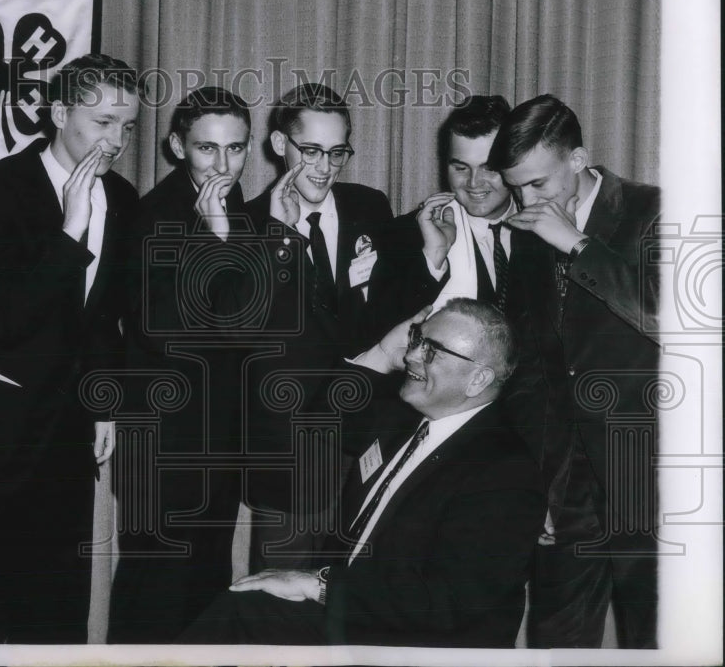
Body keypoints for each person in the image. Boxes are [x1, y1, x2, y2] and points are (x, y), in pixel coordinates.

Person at [0, 54, 141, 643]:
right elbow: (5, 319)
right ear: (60, 111)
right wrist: (69, 231)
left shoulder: (121, 198)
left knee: (57, 617)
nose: (116, 140)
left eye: (127, 126)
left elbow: (102, 318)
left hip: (65, 439)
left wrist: (105, 401)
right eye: (102, 122)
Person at [180, 299, 546, 647]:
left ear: (478, 380)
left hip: (418, 643)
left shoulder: (505, 471)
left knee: (242, 613)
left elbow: (450, 603)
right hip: (360, 616)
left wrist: (319, 586)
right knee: (240, 605)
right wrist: (383, 353)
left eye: (431, 350)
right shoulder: (405, 420)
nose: (411, 355)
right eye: (417, 340)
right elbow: (325, 421)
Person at [487, 93, 661, 648]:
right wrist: (541, 475)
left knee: (651, 631)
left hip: (649, 467)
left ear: (579, 158)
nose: (525, 199)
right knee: (555, 634)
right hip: (565, 473)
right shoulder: (528, 232)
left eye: (538, 183)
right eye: (516, 187)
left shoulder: (653, 209)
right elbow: (529, 366)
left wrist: (579, 245)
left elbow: (669, 314)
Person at [109, 86, 252, 643]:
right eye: (207, 149)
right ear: (176, 146)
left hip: (216, 437)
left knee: (207, 585)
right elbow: (167, 333)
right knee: (155, 591)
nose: (223, 164)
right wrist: (218, 238)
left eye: (236, 149)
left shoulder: (232, 208)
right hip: (165, 443)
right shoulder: (152, 217)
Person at [243, 83, 401, 572]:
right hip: (289, 450)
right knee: (278, 605)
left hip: (363, 442)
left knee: (347, 597)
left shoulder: (370, 207)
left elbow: (392, 311)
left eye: (337, 152)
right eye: (310, 151)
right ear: (278, 146)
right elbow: (256, 335)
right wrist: (282, 238)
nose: (324, 167)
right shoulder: (242, 225)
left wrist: (433, 260)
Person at [399, 95, 516, 311]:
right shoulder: (410, 232)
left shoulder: (544, 229)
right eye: (461, 168)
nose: (473, 183)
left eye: (489, 168)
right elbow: (385, 329)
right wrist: (434, 255)